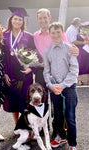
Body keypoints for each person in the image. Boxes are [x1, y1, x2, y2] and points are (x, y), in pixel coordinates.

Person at [34, 8, 79, 139]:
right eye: (40, 18)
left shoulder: (56, 32)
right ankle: (44, 127)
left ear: (49, 18)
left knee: (56, 104)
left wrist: (76, 50)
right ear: (37, 20)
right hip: (41, 71)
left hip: (57, 72)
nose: (42, 20)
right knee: (42, 100)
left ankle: (57, 130)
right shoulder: (35, 35)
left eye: (45, 17)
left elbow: (68, 48)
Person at [43, 22, 78, 150]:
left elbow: (74, 70)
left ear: (62, 32)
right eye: (53, 32)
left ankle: (72, 144)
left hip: (68, 87)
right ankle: (61, 137)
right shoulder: (47, 51)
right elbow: (46, 71)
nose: (56, 35)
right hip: (54, 88)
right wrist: (51, 85)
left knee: (70, 116)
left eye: (58, 32)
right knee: (57, 115)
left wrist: (62, 85)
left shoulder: (70, 48)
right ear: (50, 34)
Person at [3, 7, 35, 125]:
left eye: (20, 20)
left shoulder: (28, 36)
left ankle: (26, 124)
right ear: (11, 20)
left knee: (25, 99)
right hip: (10, 73)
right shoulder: (4, 36)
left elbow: (35, 53)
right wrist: (4, 72)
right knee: (13, 99)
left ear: (23, 22)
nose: (17, 22)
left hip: (24, 74)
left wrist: (30, 68)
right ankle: (17, 125)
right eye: (15, 19)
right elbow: (1, 56)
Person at [66, 18, 89, 85]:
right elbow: (74, 41)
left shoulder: (70, 28)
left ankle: (79, 80)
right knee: (80, 64)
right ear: (77, 24)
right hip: (72, 49)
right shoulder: (73, 30)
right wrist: (84, 42)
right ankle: (78, 81)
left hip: (70, 49)